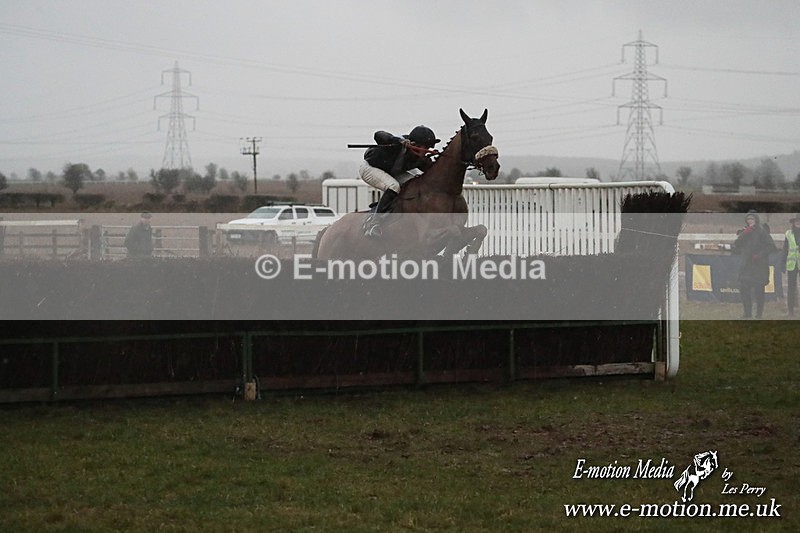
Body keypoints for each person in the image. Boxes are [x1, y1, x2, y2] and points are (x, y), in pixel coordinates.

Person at [359, 125, 440, 237]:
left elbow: (431, 171)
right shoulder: (398, 145)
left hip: (392, 171)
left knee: (415, 184)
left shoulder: (420, 158)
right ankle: (374, 223)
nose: (426, 151)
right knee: (393, 186)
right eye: (424, 146)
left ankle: (386, 207)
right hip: (370, 168)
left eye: (428, 147)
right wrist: (398, 141)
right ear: (414, 144)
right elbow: (378, 134)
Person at [733, 210, 776, 319]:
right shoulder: (744, 231)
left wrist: (759, 255)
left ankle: (759, 314)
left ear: (756, 220)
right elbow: (737, 244)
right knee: (744, 289)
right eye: (748, 219)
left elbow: (771, 246)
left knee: (759, 291)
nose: (750, 221)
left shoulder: (762, 231)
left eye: (752, 219)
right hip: (746, 266)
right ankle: (747, 313)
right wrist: (744, 234)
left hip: (759, 266)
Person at [780, 214, 800, 317]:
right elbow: (785, 249)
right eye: (796, 221)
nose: (798, 223)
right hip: (792, 264)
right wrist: (782, 263)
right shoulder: (788, 234)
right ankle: (790, 311)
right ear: (793, 222)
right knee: (791, 288)